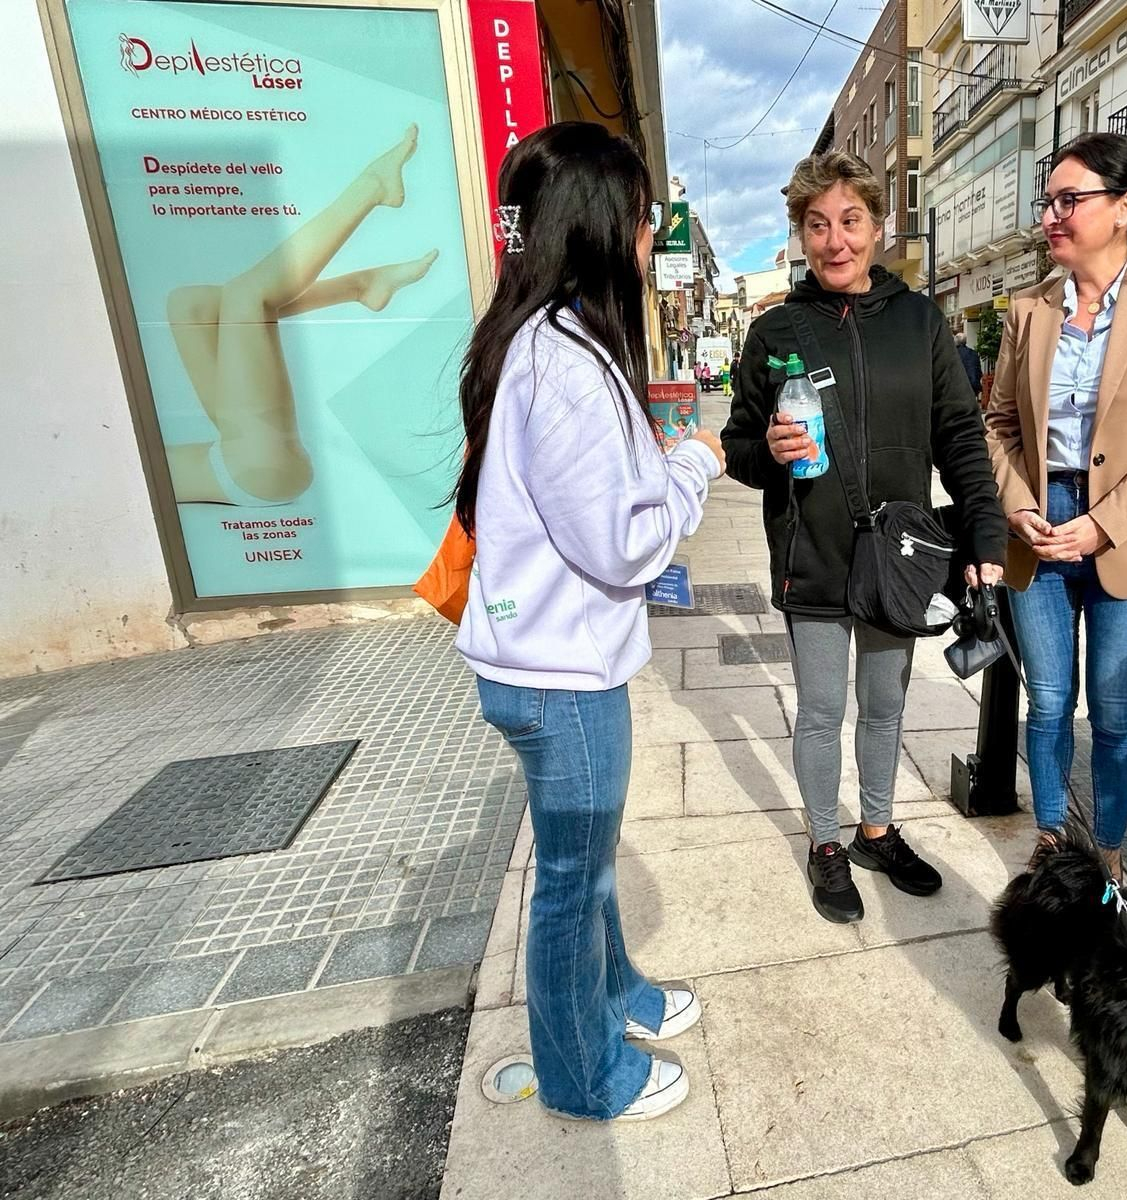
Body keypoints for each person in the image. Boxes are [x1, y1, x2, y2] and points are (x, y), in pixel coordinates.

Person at [452, 122, 725, 1122]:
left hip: (552, 659)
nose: (653, 235)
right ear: (604, 225)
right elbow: (624, 546)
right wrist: (693, 465)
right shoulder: (565, 358)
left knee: (586, 865)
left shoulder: (550, 338)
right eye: (644, 216)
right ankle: (583, 1074)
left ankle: (621, 998)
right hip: (561, 678)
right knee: (569, 885)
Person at [723, 151, 1007, 924]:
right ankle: (825, 843)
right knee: (821, 709)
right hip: (811, 556)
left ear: (878, 227)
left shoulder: (919, 322)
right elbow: (738, 447)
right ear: (801, 234)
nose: (835, 240)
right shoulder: (774, 330)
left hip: (899, 559)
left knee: (885, 705)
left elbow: (960, 436)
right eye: (817, 225)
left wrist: (986, 536)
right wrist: (770, 455)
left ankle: (876, 831)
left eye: (850, 221)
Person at [984, 132, 1127, 881]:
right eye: (1047, 201)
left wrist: (1101, 525)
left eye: (1069, 200)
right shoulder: (1029, 310)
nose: (1051, 215)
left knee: (1115, 711)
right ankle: (1055, 848)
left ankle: (1109, 857)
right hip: (1041, 524)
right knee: (1048, 702)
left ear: (1123, 208)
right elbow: (997, 425)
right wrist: (1019, 503)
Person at [165, 125, 437, 505]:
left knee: (188, 306)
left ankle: (359, 287)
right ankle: (371, 188)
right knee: (248, 296)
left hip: (243, 454)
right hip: (253, 469)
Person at [955, 330, 983, 399]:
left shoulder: (954, 354)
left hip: (958, 388)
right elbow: (978, 371)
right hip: (973, 386)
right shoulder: (974, 353)